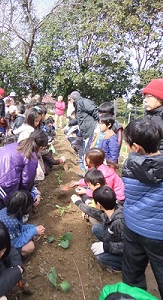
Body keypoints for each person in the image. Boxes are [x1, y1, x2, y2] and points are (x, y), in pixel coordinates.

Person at [121, 117, 163, 298]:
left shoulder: (129, 166)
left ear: (136, 147)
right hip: (158, 233)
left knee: (132, 274)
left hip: (132, 227)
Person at [0, 130, 48, 212]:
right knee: (15, 207)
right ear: (40, 147)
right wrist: (29, 196)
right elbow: (26, 181)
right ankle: (5, 210)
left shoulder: (15, 145)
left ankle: (1, 206)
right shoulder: (31, 156)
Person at [71, 186, 124, 271]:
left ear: (99, 205)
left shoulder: (120, 222)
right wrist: (78, 203)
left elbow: (127, 246)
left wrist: (106, 247)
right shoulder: (112, 209)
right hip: (115, 239)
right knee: (96, 228)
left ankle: (119, 266)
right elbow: (94, 213)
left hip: (128, 255)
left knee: (101, 257)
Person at [0, 190, 45, 256]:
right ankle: (10, 259)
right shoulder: (12, 223)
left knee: (31, 228)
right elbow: (15, 243)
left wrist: (32, 228)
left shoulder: (7, 210)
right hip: (1, 248)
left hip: (3, 239)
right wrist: (32, 232)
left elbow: (19, 228)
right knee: (30, 246)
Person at [68, 91, 98, 156]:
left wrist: (99, 124)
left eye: (70, 99)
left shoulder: (83, 102)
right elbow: (78, 118)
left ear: (72, 99)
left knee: (88, 152)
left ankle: (86, 164)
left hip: (90, 130)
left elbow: (95, 111)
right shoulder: (78, 105)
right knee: (85, 149)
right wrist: (69, 123)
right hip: (85, 131)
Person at [142, 78, 163, 152]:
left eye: (149, 96)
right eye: (145, 96)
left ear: (160, 98)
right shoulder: (149, 116)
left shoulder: (161, 120)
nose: (145, 100)